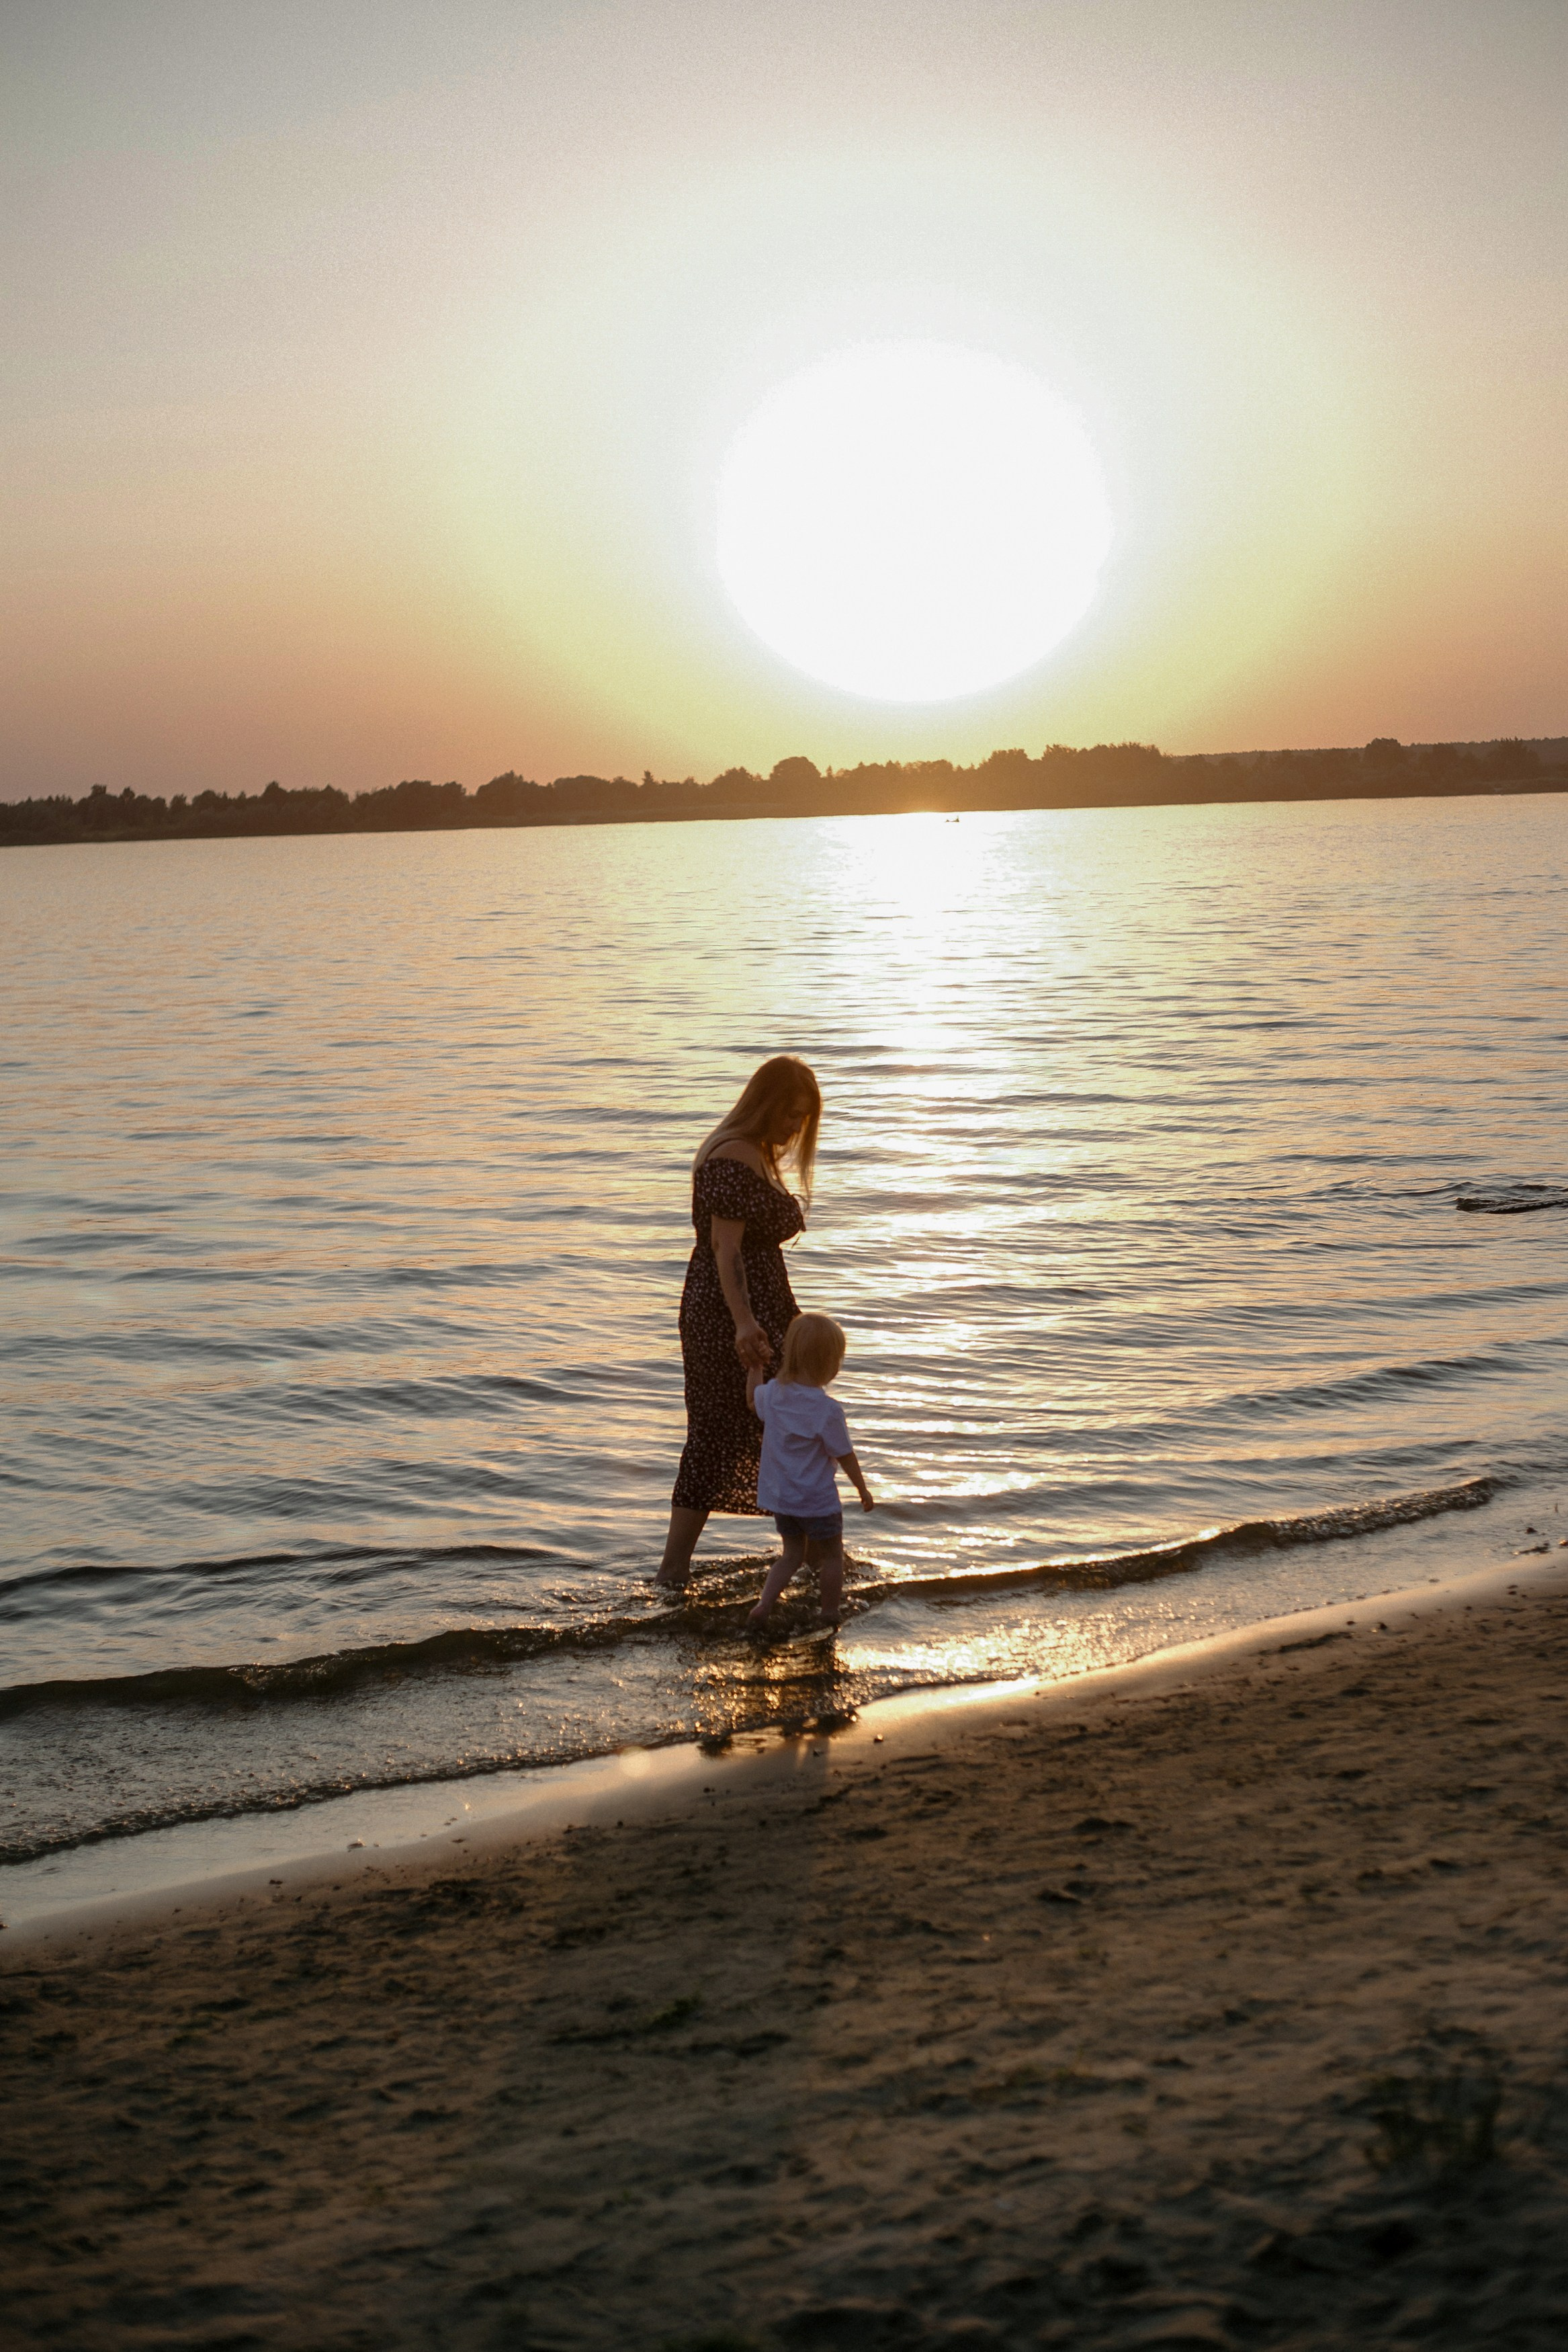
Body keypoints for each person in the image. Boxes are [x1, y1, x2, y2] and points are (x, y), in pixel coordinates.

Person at [657, 1055, 822, 1589]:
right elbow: (726, 1251)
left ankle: (804, 1558)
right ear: (763, 1104)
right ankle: (674, 1571)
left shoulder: (751, 1154)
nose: (795, 1128)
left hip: (746, 1313)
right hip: (728, 1317)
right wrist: (746, 1325)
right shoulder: (734, 1156)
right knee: (725, 1434)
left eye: (802, 1119)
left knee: (775, 1429)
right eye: (789, 1114)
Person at [745, 1312, 874, 1632]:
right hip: (817, 1501)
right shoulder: (827, 1409)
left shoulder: (773, 1393)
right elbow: (844, 1455)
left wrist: (756, 1368)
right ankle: (829, 1612)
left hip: (783, 1500)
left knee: (790, 1555)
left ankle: (764, 1604)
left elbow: (751, 1400)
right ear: (831, 1365)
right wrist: (862, 1489)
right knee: (832, 1556)